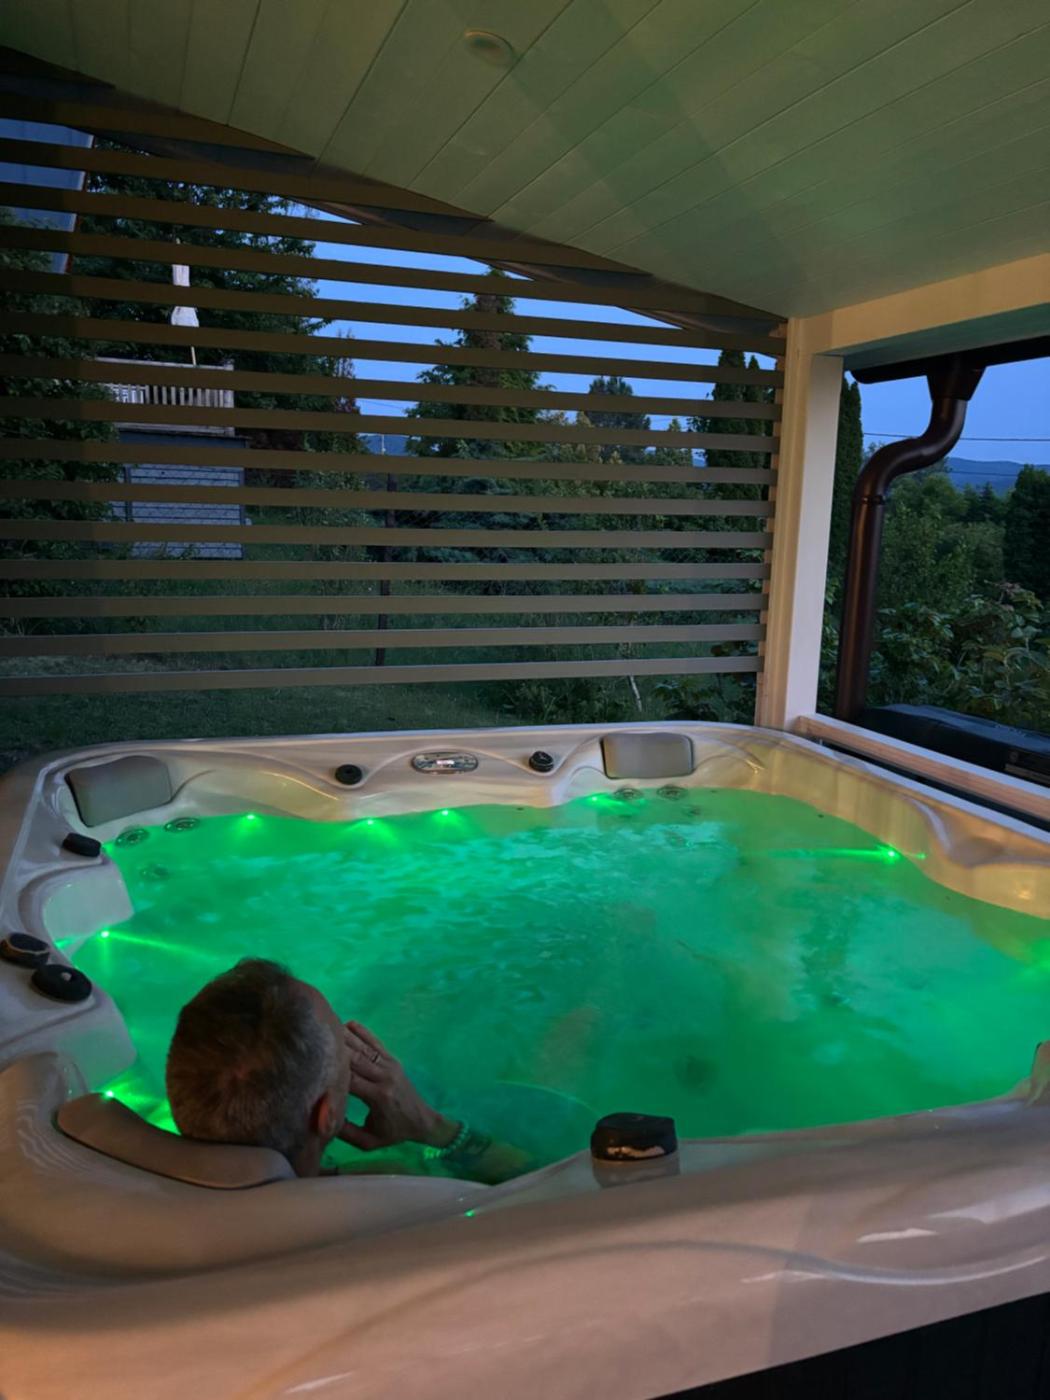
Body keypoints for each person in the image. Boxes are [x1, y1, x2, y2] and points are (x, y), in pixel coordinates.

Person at [165, 958, 524, 1184]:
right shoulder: (400, 1195)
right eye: (343, 1046)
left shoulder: (153, 1176)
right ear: (328, 1116)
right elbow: (542, 1195)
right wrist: (433, 1126)